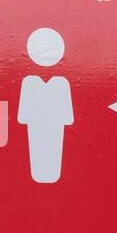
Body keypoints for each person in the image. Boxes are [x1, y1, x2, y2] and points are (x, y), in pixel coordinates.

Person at [18, 27, 74, 183]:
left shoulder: (31, 82)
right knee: (43, 155)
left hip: (42, 126)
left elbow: (22, 117)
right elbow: (68, 118)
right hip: (45, 126)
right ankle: (44, 175)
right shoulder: (57, 83)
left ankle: (46, 175)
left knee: (48, 155)